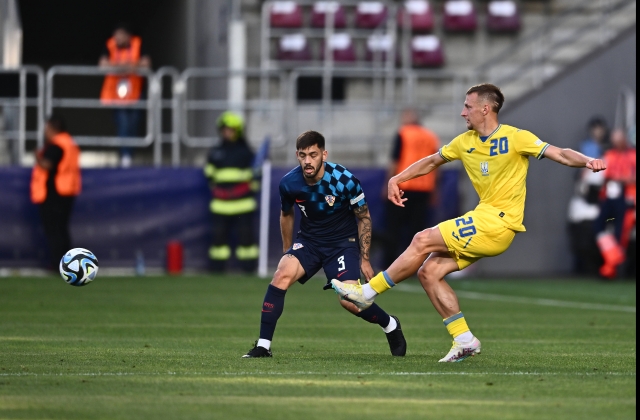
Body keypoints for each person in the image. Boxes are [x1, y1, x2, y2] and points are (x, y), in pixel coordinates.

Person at [332, 83, 606, 362]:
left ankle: (367, 292)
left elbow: (559, 153)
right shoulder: (465, 142)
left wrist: (588, 161)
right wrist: (397, 178)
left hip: (499, 222)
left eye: (468, 107)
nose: (463, 113)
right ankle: (464, 339)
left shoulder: (515, 138)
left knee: (421, 239)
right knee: (429, 273)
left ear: (485, 109)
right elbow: (431, 162)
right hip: (483, 220)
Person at [243, 130, 406, 358]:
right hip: (309, 242)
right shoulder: (289, 183)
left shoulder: (345, 180)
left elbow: (364, 217)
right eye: (302, 155)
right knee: (280, 276)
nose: (307, 161)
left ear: (324, 154)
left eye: (313, 154)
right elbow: (286, 214)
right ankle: (263, 346)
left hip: (342, 244)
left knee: (349, 300)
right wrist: (287, 249)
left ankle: (390, 324)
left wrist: (365, 259)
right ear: (297, 156)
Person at [382, 109, 440, 267]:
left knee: (393, 229)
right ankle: (415, 265)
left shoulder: (403, 133)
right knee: (417, 231)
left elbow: (395, 161)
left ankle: (390, 265)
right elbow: (436, 165)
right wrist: (434, 190)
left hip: (403, 187)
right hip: (424, 189)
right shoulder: (430, 136)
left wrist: (387, 183)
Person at [204, 112, 259, 273]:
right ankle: (217, 270)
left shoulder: (247, 153)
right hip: (220, 205)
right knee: (218, 241)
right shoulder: (215, 151)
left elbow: (255, 178)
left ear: (238, 131)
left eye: (230, 129)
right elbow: (209, 174)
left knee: (246, 240)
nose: (227, 132)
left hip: (243, 205)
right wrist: (218, 189)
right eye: (224, 129)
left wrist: (245, 187)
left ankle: (249, 271)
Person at [30, 115, 81, 269]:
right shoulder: (70, 143)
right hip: (68, 191)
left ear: (53, 129)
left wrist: (37, 157)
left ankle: (57, 263)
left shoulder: (57, 145)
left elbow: (47, 165)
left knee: (54, 230)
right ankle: (69, 263)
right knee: (62, 229)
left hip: (55, 193)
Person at [99, 23, 151, 168]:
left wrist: (118, 67)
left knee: (133, 124)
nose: (117, 38)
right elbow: (102, 65)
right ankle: (124, 156)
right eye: (116, 35)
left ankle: (129, 154)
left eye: (121, 35)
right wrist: (129, 67)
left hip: (135, 91)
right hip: (116, 93)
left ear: (129, 36)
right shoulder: (109, 45)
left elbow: (146, 64)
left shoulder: (138, 44)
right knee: (122, 124)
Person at [594, 129, 636, 278]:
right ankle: (613, 259)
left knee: (621, 231)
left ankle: (613, 266)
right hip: (610, 197)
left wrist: (622, 179)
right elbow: (602, 175)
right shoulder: (609, 155)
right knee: (599, 226)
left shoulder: (633, 155)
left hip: (627, 198)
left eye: (620, 139)